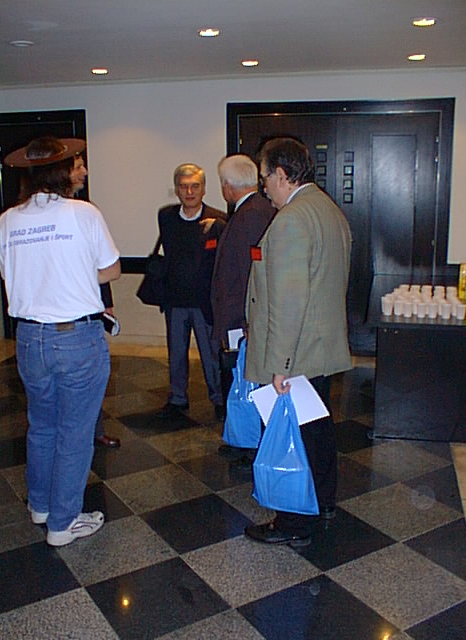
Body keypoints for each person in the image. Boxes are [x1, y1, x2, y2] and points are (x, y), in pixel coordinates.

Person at [0, 136, 121, 546]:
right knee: (74, 432)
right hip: (75, 338)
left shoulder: (8, 220)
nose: (81, 170)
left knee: (42, 426)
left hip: (29, 338)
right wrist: (76, 270)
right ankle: (63, 523)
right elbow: (111, 270)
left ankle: (41, 505)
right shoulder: (82, 213)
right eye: (76, 163)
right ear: (62, 170)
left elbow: (10, 275)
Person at [244, 137, 352, 546]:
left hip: (296, 352)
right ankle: (323, 502)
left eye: (265, 177)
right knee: (316, 430)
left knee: (293, 435)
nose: (263, 187)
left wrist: (281, 365)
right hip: (318, 347)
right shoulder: (327, 209)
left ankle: (293, 521)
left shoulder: (291, 219)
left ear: (282, 174)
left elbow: (289, 300)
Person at [211, 154, 275, 461]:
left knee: (247, 381)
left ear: (227, 185)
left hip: (242, 317)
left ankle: (252, 446)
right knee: (242, 380)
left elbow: (252, 271)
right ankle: (244, 440)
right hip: (243, 315)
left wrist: (246, 320)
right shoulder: (256, 210)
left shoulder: (250, 215)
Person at [156, 163, 227, 420]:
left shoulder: (218, 220)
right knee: (176, 354)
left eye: (195, 186)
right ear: (176, 189)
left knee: (211, 355)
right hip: (175, 299)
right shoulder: (166, 217)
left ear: (204, 189)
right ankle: (177, 398)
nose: (189, 192)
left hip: (205, 302)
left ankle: (218, 399)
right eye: (184, 187)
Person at [69, 152, 120, 448]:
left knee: (91, 382)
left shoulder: (86, 211)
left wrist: (106, 302)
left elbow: (100, 262)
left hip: (90, 309)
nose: (85, 172)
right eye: (78, 167)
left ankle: (95, 430)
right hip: (65, 321)